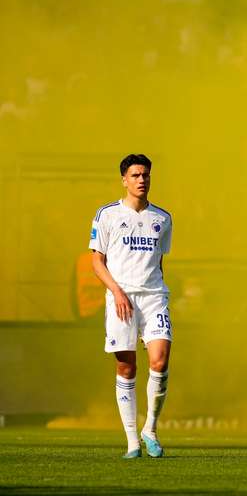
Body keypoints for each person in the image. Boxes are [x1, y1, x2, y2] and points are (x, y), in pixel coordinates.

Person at [89, 154, 173, 458]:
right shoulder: (107, 215)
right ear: (124, 179)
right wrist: (118, 292)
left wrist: (156, 294)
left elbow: (158, 262)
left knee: (160, 361)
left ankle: (150, 429)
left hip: (153, 297)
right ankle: (132, 443)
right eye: (135, 175)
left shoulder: (162, 219)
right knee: (126, 366)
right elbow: (96, 261)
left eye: (146, 175)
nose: (142, 180)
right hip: (120, 298)